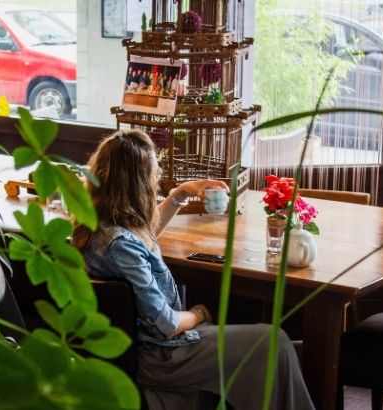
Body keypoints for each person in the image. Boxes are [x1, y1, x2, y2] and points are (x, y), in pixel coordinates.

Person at [72, 130, 314, 410]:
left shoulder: (100, 227)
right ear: (139, 183)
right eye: (154, 172)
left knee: (272, 346)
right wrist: (199, 314)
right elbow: (167, 325)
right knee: (273, 341)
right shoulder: (121, 246)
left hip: (147, 348)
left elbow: (143, 239)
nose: (156, 178)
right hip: (160, 357)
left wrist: (180, 194)